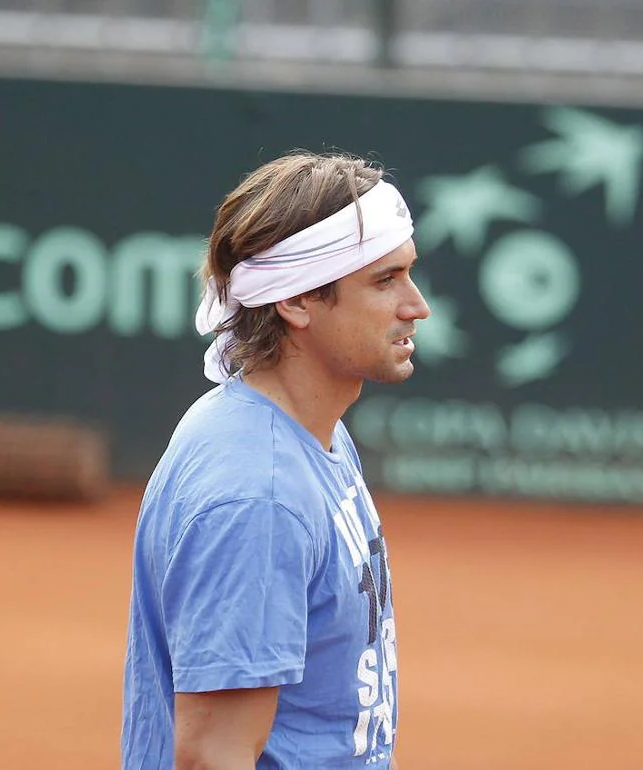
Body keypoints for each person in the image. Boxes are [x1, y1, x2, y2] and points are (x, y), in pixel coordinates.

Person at [122, 151, 429, 769]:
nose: (416, 305)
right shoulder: (258, 494)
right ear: (296, 303)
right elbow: (214, 757)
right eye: (383, 280)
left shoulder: (307, 434)